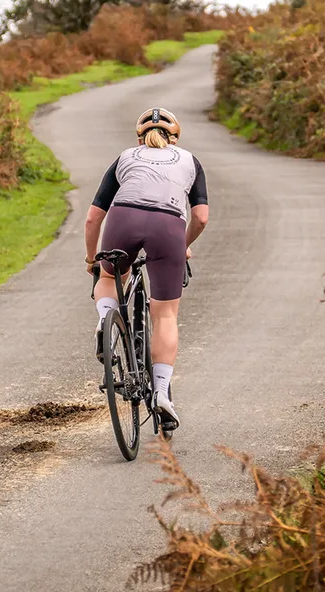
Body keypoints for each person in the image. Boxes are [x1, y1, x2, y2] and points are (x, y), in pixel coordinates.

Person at [84, 107, 209, 430]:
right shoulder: (189, 161)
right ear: (176, 137)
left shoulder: (125, 157)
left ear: (139, 137)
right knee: (165, 314)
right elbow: (201, 217)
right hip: (167, 226)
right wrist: (182, 244)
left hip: (123, 219)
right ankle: (163, 393)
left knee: (111, 276)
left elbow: (93, 217)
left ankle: (105, 322)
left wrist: (91, 260)